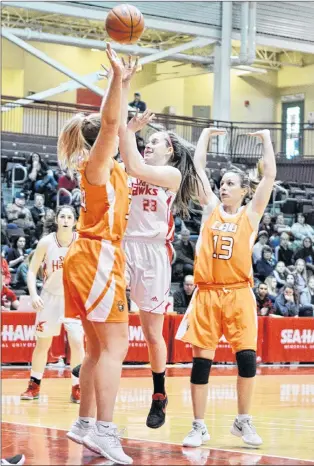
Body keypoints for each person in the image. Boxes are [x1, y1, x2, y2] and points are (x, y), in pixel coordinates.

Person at [176, 127, 276, 448]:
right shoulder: (210, 210)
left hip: (239, 293)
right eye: (222, 183)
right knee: (201, 364)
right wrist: (204, 135)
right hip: (207, 293)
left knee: (246, 360)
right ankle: (198, 425)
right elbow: (198, 167)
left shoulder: (251, 215)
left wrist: (265, 140)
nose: (223, 187)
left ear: (245, 190)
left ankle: (242, 420)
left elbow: (269, 176)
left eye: (231, 183)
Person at [58, 44, 132, 464]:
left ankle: (84, 424)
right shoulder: (98, 163)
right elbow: (109, 121)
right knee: (116, 347)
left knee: (94, 348)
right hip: (98, 257)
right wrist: (116, 79)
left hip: (90, 256)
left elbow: (116, 123)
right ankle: (105, 431)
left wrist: (122, 83)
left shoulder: (108, 164)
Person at [119, 64, 202, 430]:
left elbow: (134, 165)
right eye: (147, 141)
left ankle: (158, 393)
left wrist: (130, 130)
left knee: (153, 335)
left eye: (156, 141)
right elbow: (124, 157)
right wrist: (124, 87)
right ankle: (94, 359)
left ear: (169, 151)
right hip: (122, 246)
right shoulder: (128, 165)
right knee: (109, 319)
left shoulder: (171, 175)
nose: (149, 143)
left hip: (153, 254)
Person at [20, 206, 84, 404]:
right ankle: (34, 385)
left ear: (75, 221)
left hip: (73, 299)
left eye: (69, 217)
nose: (65, 220)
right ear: (56, 220)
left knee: (77, 342)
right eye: (62, 216)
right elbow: (31, 271)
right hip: (49, 297)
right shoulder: (46, 242)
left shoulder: (81, 242)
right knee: (43, 344)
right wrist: (33, 294)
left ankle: (77, 386)